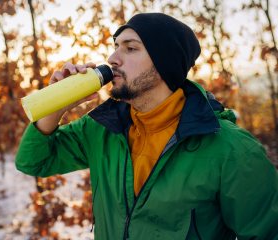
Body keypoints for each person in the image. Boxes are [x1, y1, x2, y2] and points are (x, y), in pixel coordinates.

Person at [15, 13, 278, 239]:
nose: (113, 58)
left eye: (130, 48)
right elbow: (33, 162)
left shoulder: (233, 151)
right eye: (116, 46)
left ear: (165, 62)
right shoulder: (101, 129)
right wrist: (57, 103)